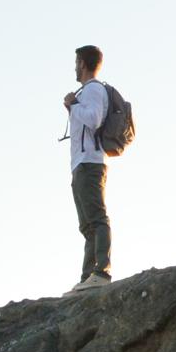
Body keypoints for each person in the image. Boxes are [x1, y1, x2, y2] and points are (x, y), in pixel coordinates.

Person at [62, 44, 113, 292]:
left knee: (97, 219)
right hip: (82, 163)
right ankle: (87, 278)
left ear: (82, 63)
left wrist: (73, 105)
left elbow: (93, 119)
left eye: (76, 62)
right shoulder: (88, 91)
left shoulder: (93, 90)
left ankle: (101, 272)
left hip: (90, 162)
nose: (74, 67)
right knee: (87, 225)